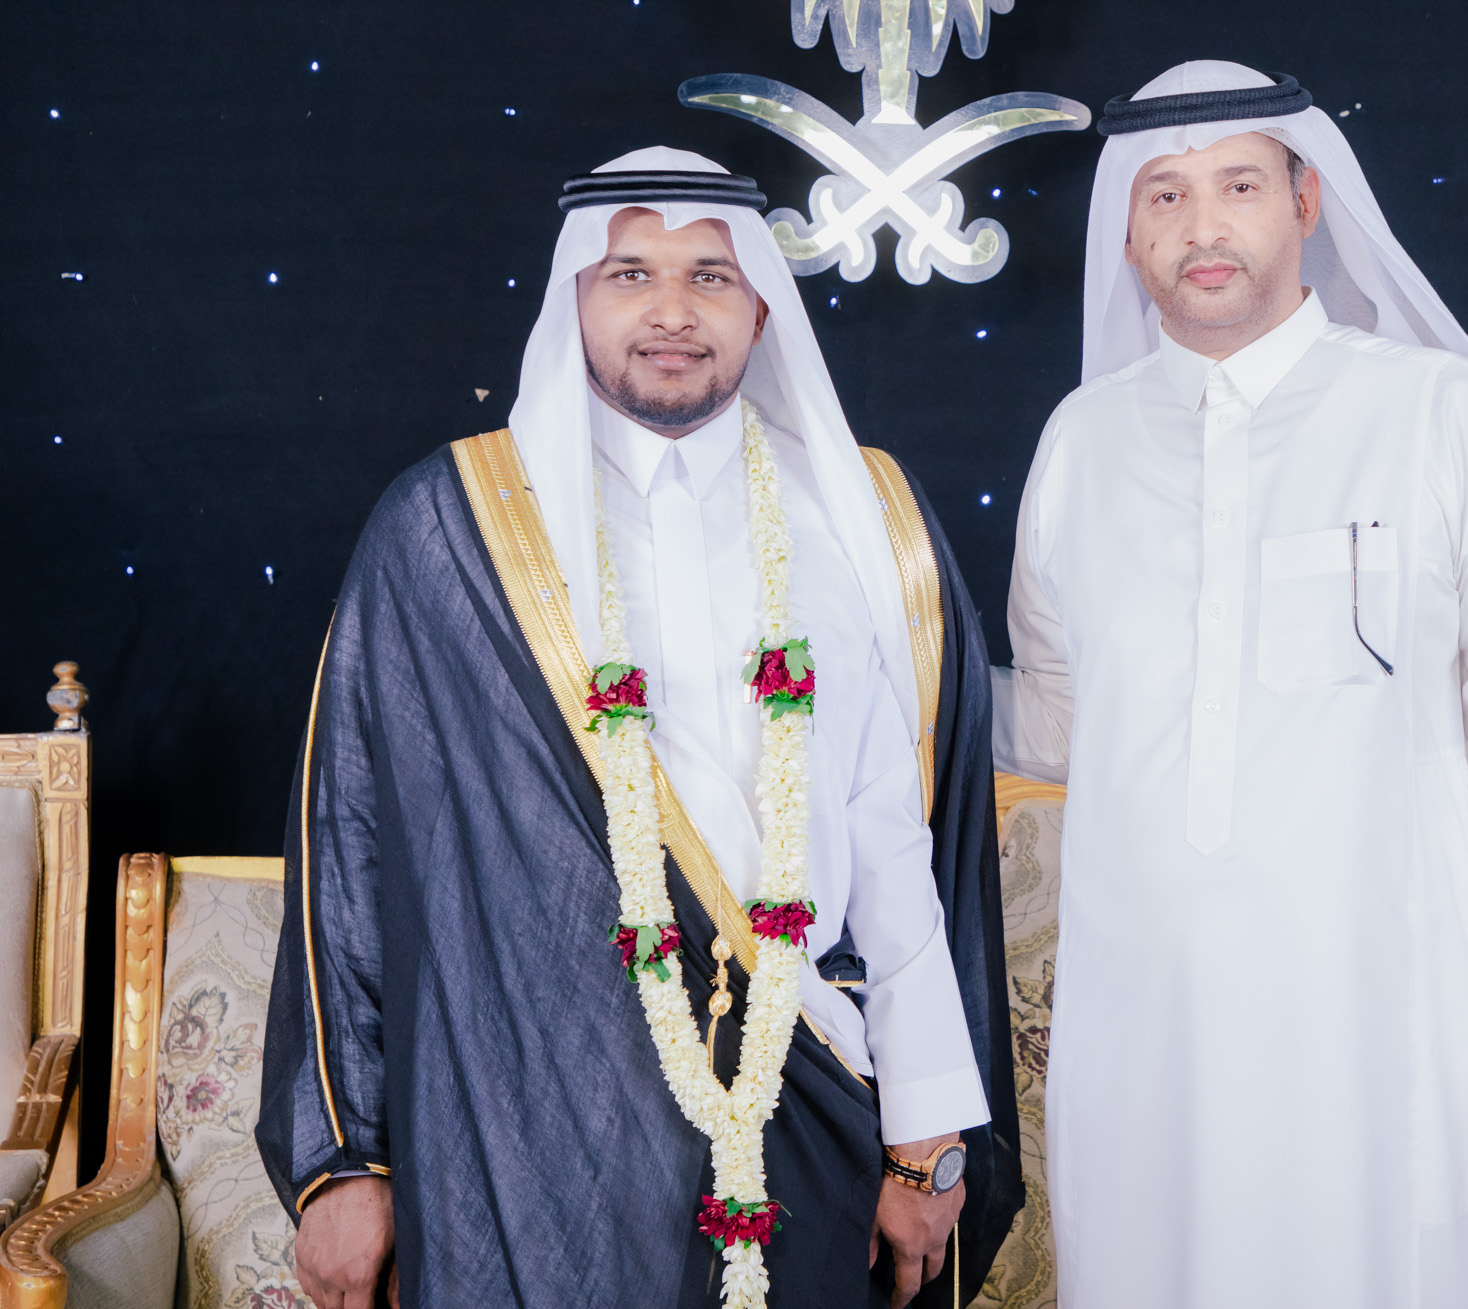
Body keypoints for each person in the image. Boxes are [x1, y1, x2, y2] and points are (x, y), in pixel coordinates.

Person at [258, 147, 1022, 1309]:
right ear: (574, 298)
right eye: (630, 275)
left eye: (709, 276)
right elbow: (348, 852)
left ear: (760, 306)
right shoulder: (450, 531)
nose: (671, 310)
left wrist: (925, 1139)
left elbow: (893, 844)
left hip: (804, 1107)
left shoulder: (855, 521)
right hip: (525, 1140)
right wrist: (342, 1165)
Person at [994, 62, 1468, 1306]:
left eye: (1237, 186)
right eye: (1163, 196)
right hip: (1143, 1053)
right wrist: (887, 676)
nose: (1201, 227)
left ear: (1305, 201)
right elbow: (1058, 723)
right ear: (1126, 230)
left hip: (1381, 1041)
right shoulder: (1079, 444)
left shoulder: (1441, 415)